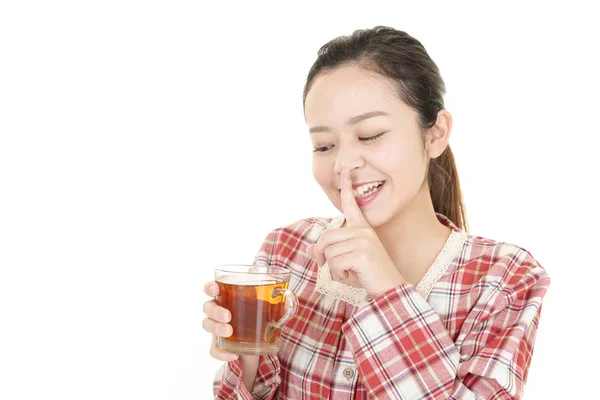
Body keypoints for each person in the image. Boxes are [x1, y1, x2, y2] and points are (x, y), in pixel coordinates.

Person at [203, 26, 551, 399]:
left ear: (435, 134)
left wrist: (385, 285)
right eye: (323, 145)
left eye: (369, 135)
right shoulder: (287, 250)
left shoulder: (506, 279)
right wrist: (248, 358)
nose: (344, 164)